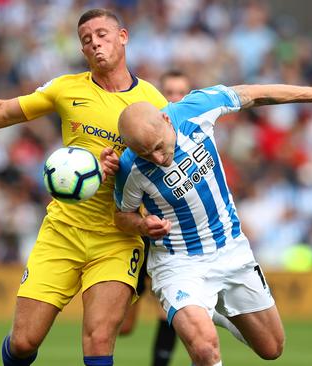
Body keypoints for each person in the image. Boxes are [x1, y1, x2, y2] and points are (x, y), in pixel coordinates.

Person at [0, 8, 168, 366]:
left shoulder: (154, 103)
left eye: (101, 34)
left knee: (100, 339)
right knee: (23, 343)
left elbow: (165, 166)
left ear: (123, 36)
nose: (94, 43)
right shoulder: (66, 89)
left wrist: (125, 171)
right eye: (86, 40)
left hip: (117, 235)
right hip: (63, 230)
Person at [102, 83, 312, 365]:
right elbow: (122, 216)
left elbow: (255, 94)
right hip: (179, 263)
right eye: (146, 154)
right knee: (205, 349)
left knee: (272, 348)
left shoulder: (194, 110)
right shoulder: (130, 167)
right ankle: (197, 312)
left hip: (231, 249)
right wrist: (143, 225)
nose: (157, 158)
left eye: (158, 147)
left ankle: (212, 311)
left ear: (167, 120)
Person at [118, 70, 192, 366]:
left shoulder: (192, 136)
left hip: (173, 238)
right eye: (169, 92)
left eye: (181, 93)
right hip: (137, 235)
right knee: (123, 326)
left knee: (171, 312)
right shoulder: (140, 141)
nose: (175, 98)